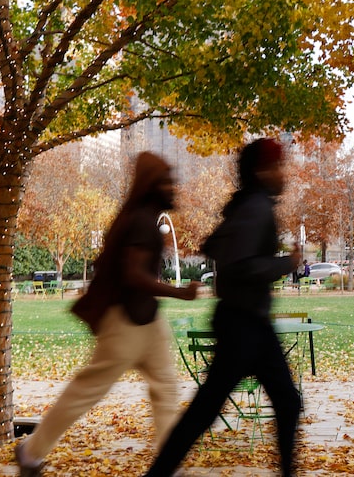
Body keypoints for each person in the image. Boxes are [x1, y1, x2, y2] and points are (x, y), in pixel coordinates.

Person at [15, 152, 200, 477]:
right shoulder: (142, 220)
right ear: (151, 185)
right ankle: (30, 452)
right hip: (125, 325)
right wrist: (179, 292)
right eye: (166, 180)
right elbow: (133, 275)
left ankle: (168, 466)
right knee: (86, 392)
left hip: (148, 323)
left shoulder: (142, 216)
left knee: (166, 391)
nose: (173, 186)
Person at [144, 138, 302, 477]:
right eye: (277, 165)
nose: (282, 173)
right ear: (262, 170)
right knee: (209, 410)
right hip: (244, 325)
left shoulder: (247, 205)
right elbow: (243, 265)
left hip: (247, 322)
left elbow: (213, 244)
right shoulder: (256, 207)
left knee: (284, 402)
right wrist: (287, 263)